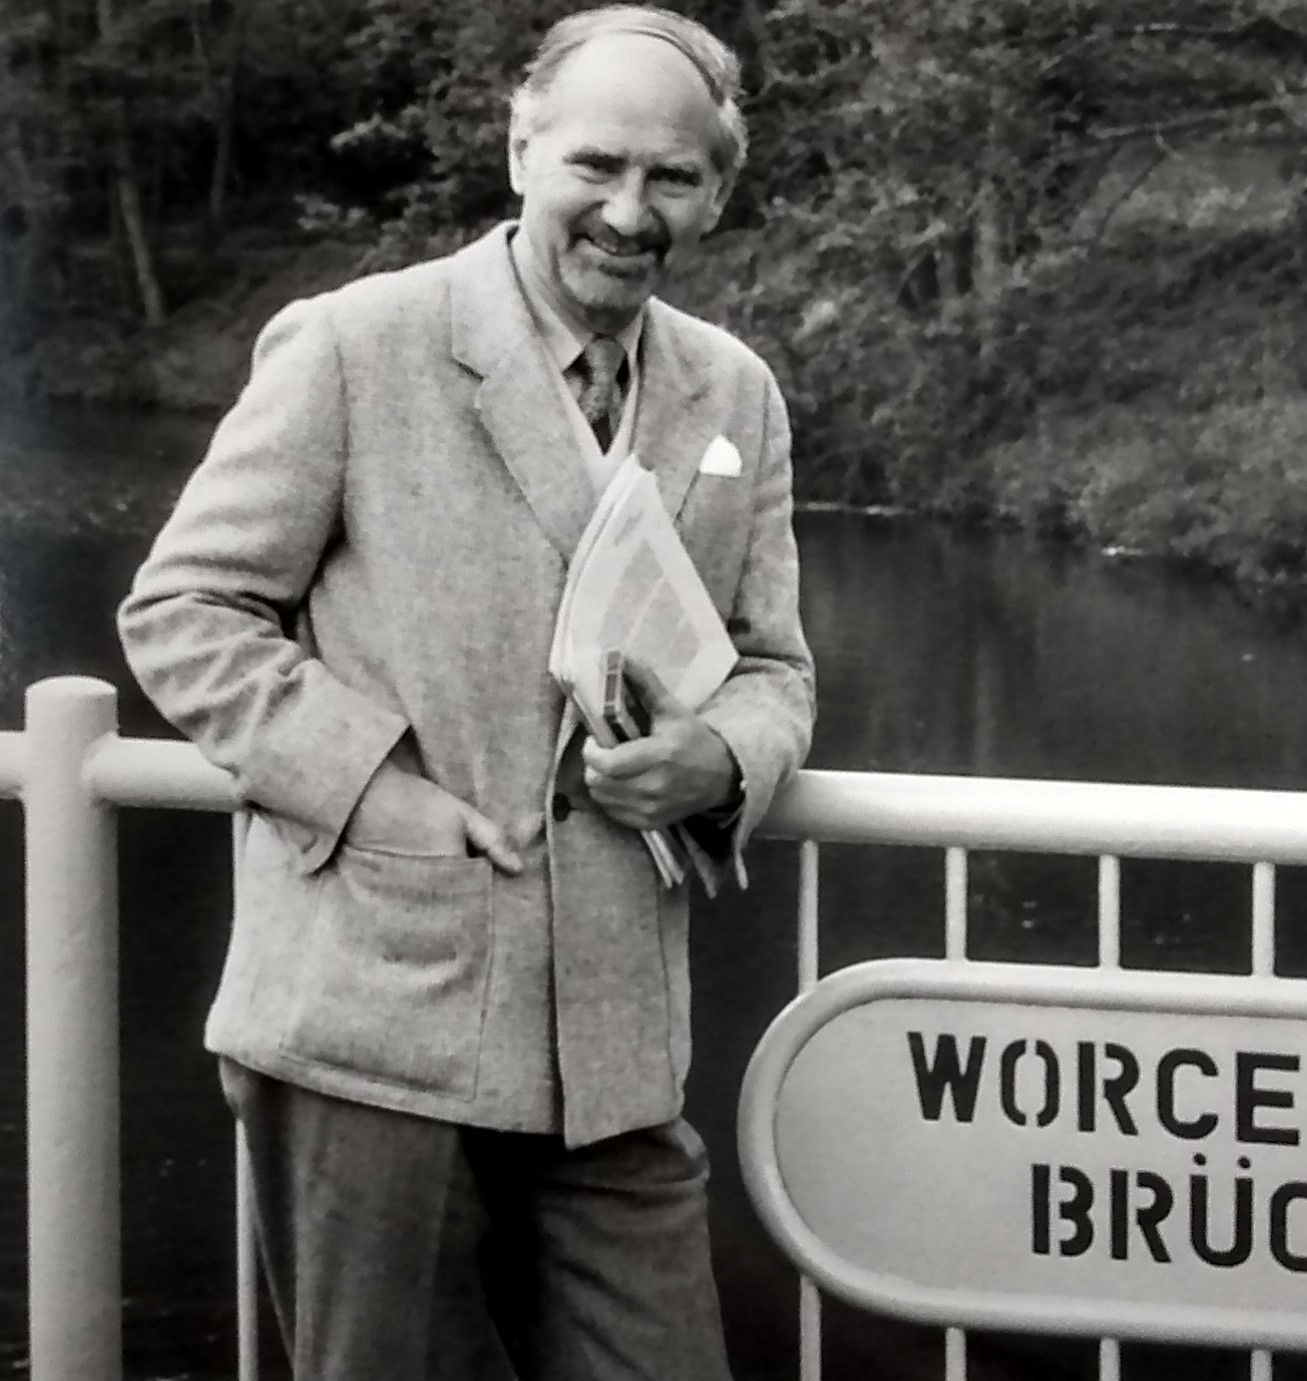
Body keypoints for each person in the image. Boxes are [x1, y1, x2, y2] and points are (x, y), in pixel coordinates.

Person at [117, 7, 813, 1378]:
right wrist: (380, 792)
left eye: (671, 177)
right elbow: (184, 612)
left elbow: (775, 667)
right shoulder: (355, 345)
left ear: (717, 193)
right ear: (517, 150)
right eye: (594, 165)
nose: (628, 209)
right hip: (376, 1022)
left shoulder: (732, 390)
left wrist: (720, 760)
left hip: (613, 1047)